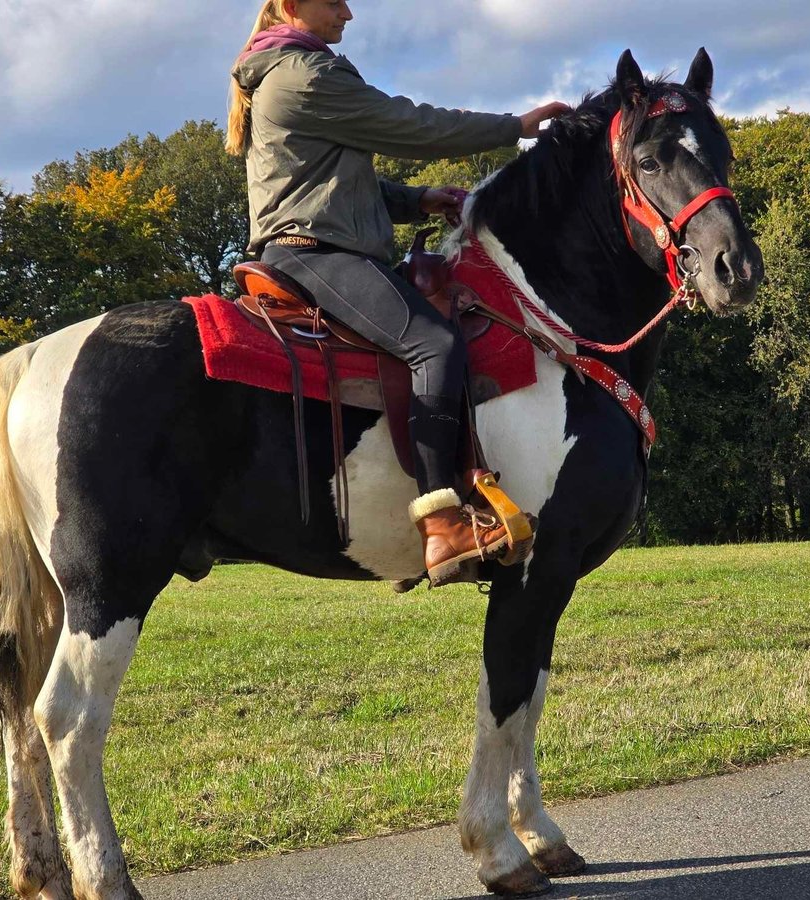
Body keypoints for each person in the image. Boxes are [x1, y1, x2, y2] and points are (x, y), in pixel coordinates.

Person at [227, 0, 568, 585]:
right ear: (291, 6)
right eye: (333, 1)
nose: (348, 13)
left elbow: (335, 181)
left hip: (314, 241)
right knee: (434, 344)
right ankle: (443, 522)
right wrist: (514, 127)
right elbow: (410, 125)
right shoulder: (307, 74)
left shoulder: (278, 73)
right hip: (317, 253)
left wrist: (417, 200)